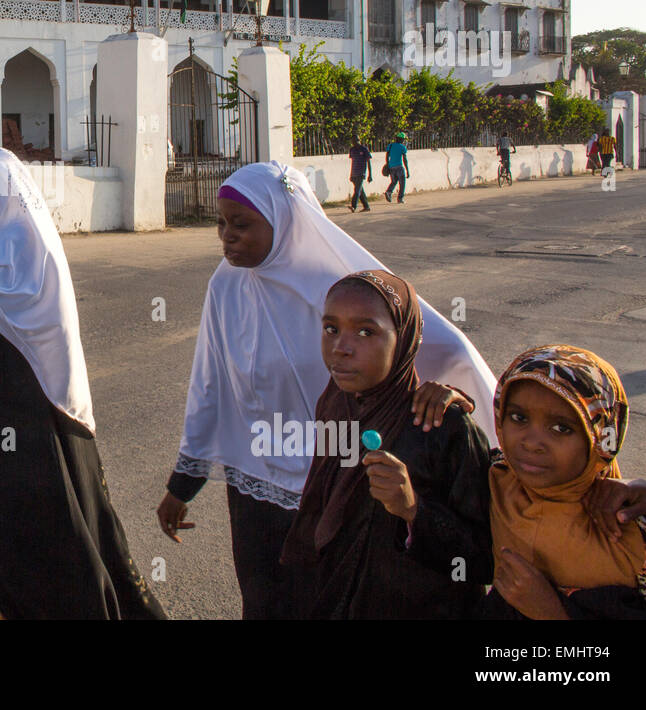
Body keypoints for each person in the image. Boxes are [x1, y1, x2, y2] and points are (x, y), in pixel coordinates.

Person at [155, 162, 497, 619]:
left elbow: (435, 341)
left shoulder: (341, 291)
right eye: (220, 224)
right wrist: (184, 483)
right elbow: (210, 385)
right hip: (256, 487)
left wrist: (449, 391)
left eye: (241, 225)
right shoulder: (226, 285)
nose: (227, 237)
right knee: (265, 604)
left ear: (282, 222)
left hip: (337, 485)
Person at [0, 147, 165, 619]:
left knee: (51, 550)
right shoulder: (11, 242)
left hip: (34, 426)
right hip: (29, 417)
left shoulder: (18, 250)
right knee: (67, 538)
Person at [281, 270, 493, 619]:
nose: (341, 348)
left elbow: (485, 558)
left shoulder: (442, 427)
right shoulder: (336, 403)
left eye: (366, 332)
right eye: (331, 328)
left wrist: (413, 510)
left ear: (405, 338)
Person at [481, 345, 646, 620]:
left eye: (561, 428)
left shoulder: (636, 529)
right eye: (519, 418)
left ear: (600, 436)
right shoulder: (495, 481)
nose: (531, 442)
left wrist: (552, 613)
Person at [347, 137, 372, 212]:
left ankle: (353, 206)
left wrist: (370, 175)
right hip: (354, 173)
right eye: (353, 142)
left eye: (355, 141)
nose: (354, 143)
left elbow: (368, 162)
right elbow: (353, 162)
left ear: (359, 140)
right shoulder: (352, 149)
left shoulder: (364, 149)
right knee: (360, 190)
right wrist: (351, 174)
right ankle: (366, 206)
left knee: (357, 190)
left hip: (361, 173)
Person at [385, 131, 409, 203]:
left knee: (394, 181)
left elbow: (387, 156)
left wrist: (388, 165)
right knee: (402, 183)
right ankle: (400, 199)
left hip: (391, 167)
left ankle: (388, 192)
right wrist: (407, 170)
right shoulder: (403, 147)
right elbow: (404, 159)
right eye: (403, 139)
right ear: (402, 139)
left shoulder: (390, 145)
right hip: (399, 167)